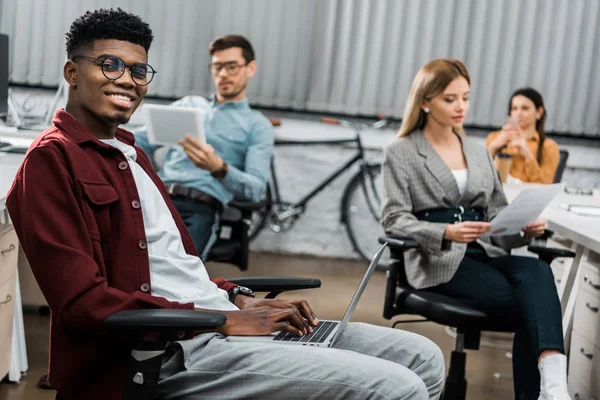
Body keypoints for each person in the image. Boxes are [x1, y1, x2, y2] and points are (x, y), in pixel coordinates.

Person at [6, 9, 445, 400]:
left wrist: (237, 297)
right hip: (171, 351)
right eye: (111, 65)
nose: (127, 80)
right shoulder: (51, 160)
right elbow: (83, 305)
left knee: (422, 355)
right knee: (396, 387)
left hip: (216, 320)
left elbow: (172, 268)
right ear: (72, 72)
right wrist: (220, 319)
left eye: (139, 71)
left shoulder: (130, 154)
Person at [381, 59, 569, 400]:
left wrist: (524, 229)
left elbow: (497, 216)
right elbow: (394, 219)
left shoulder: (478, 151)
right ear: (425, 101)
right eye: (450, 99)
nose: (461, 107)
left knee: (536, 270)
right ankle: (549, 390)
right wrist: (444, 234)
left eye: (465, 98)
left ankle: (554, 385)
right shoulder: (402, 152)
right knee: (533, 304)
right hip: (439, 258)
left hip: (484, 251)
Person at [133, 34, 274, 259]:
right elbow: (137, 140)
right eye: (217, 67)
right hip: (156, 198)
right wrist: (149, 175)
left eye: (232, 67)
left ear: (250, 68)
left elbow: (256, 189)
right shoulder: (189, 105)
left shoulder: (257, 126)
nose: (223, 74)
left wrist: (219, 168)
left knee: (179, 270)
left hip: (200, 208)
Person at [485, 88, 560, 184]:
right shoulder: (493, 138)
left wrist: (527, 154)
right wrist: (493, 147)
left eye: (525, 108)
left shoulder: (549, 146)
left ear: (539, 112)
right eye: (514, 108)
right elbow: (477, 177)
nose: (518, 113)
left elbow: (545, 186)